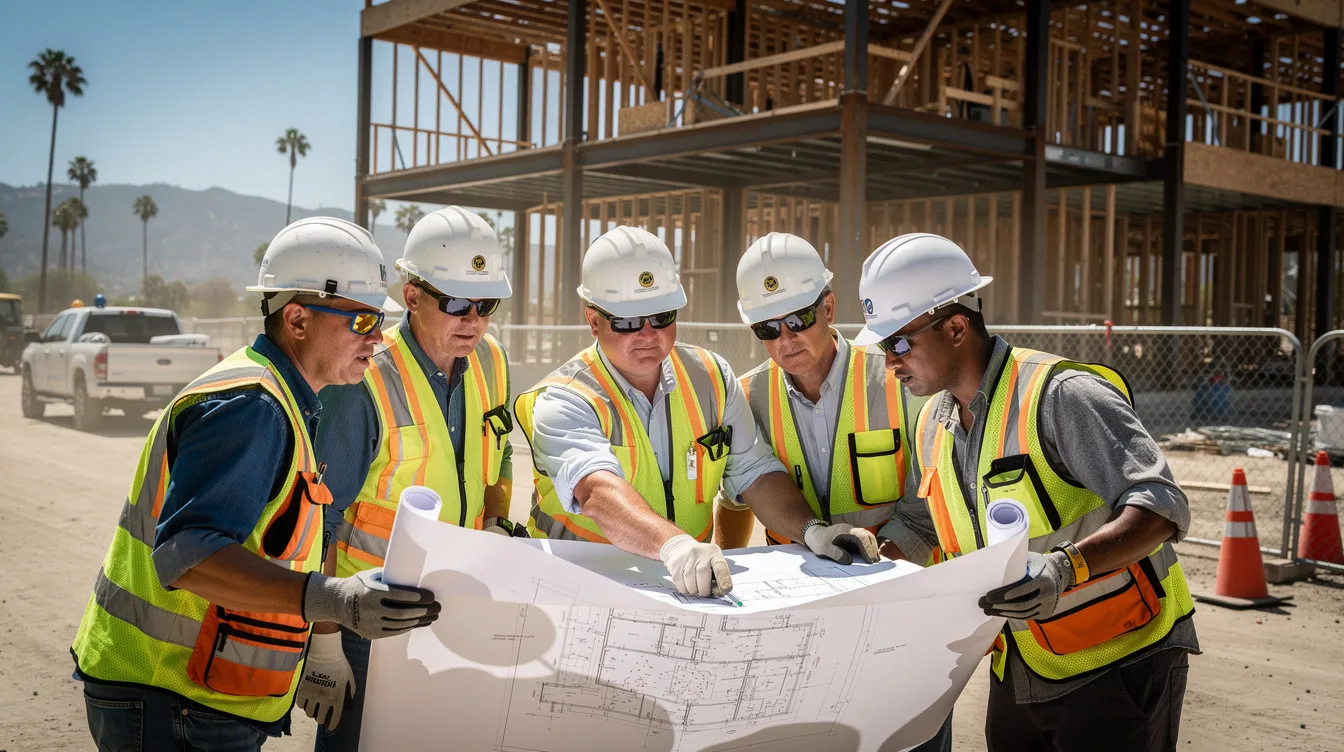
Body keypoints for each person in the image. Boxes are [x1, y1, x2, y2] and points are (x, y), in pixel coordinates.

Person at [71, 217, 442, 752]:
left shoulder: (283, 397)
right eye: (362, 322)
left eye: (379, 321)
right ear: (296, 318)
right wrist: (334, 601)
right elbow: (188, 555)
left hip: (191, 694)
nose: (378, 339)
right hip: (169, 694)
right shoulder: (253, 405)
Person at [858, 233, 1197, 752]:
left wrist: (1066, 568)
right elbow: (930, 522)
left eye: (899, 343)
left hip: (1121, 660)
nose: (891, 362)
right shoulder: (933, 422)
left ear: (955, 327)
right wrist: (868, 565)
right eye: (883, 347)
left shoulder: (1060, 395)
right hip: (1020, 663)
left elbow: (1161, 504)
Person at [515, 226, 881, 598]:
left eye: (661, 317)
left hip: (687, 592)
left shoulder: (711, 377)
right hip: (579, 589)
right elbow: (596, 491)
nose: (646, 335)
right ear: (594, 321)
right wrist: (675, 546)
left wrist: (810, 530)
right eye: (626, 323)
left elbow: (754, 472)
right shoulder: (563, 398)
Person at [717, 232, 952, 752]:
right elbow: (734, 501)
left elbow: (933, 505)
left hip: (901, 612)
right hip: (798, 626)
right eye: (766, 328)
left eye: (799, 319)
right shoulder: (747, 396)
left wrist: (864, 581)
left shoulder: (899, 377)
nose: (785, 339)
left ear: (829, 306)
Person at [304, 206, 516, 750]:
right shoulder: (365, 377)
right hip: (369, 625)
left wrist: (494, 522)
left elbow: (500, 458)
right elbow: (322, 518)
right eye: (456, 304)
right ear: (413, 295)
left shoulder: (491, 361)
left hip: (456, 612)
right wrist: (324, 643)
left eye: (486, 305)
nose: (472, 320)